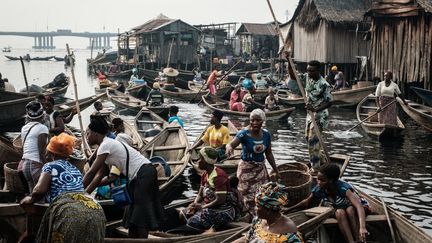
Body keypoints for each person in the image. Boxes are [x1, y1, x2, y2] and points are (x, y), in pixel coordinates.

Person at [83, 116, 163, 238]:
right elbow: (100, 175)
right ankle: (132, 239)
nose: (86, 137)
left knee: (140, 215)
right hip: (141, 176)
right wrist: (85, 193)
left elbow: (91, 172)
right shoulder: (105, 146)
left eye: (88, 134)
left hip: (144, 173)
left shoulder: (106, 144)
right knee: (131, 212)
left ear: (95, 133)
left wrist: (76, 190)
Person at [20, 133, 106, 242]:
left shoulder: (50, 166)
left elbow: (39, 190)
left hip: (69, 212)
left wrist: (31, 198)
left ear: (51, 152)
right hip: (95, 208)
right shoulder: (76, 170)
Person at [285, 164, 370, 243]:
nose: (318, 182)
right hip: (340, 209)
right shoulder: (319, 188)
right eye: (318, 179)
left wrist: (362, 228)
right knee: (339, 212)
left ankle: (359, 238)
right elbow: (306, 202)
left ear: (331, 180)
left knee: (350, 210)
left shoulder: (343, 188)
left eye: (322, 180)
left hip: (359, 207)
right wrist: (288, 209)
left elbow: (359, 206)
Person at [225, 109, 280, 218]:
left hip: (260, 169)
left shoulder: (266, 135)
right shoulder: (244, 134)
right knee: (246, 194)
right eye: (252, 120)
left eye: (258, 120)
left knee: (262, 194)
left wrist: (276, 170)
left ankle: (259, 215)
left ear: (262, 121)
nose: (254, 123)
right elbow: (230, 144)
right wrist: (229, 148)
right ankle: (249, 214)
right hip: (246, 169)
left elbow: (269, 154)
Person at [287, 56, 332, 172]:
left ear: (318, 71)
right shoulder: (307, 78)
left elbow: (329, 102)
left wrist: (315, 109)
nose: (309, 72)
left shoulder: (324, 84)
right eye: (308, 70)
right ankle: (321, 158)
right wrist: (288, 60)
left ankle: (315, 168)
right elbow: (293, 76)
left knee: (313, 140)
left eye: (312, 70)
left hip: (320, 115)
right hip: (309, 115)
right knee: (308, 138)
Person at [181, 147, 235, 231]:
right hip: (209, 207)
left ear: (206, 161)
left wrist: (203, 206)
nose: (198, 161)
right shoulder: (205, 174)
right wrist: (194, 204)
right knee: (183, 214)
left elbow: (220, 200)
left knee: (192, 222)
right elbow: (200, 194)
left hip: (223, 210)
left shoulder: (219, 176)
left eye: (200, 158)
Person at [233, 182, 303, 243]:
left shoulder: (289, 234)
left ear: (268, 210)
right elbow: (247, 239)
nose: (255, 208)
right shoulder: (258, 220)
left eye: (257, 206)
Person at [18, 101, 49, 193]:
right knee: (42, 195)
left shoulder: (24, 128)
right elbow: (41, 153)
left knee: (32, 194)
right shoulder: (42, 128)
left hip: (23, 165)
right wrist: (48, 167)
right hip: (34, 165)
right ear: (43, 114)